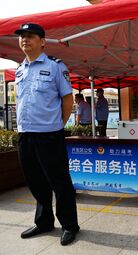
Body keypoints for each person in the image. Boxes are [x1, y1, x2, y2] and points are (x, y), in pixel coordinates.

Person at [14, 23, 79, 246]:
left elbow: (67, 100)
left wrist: (57, 125)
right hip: (25, 135)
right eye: (22, 36)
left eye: (30, 36)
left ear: (42, 41)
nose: (25, 39)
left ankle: (70, 225)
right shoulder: (19, 70)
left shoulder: (55, 67)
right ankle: (44, 222)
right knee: (35, 181)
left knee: (59, 182)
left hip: (49, 135)